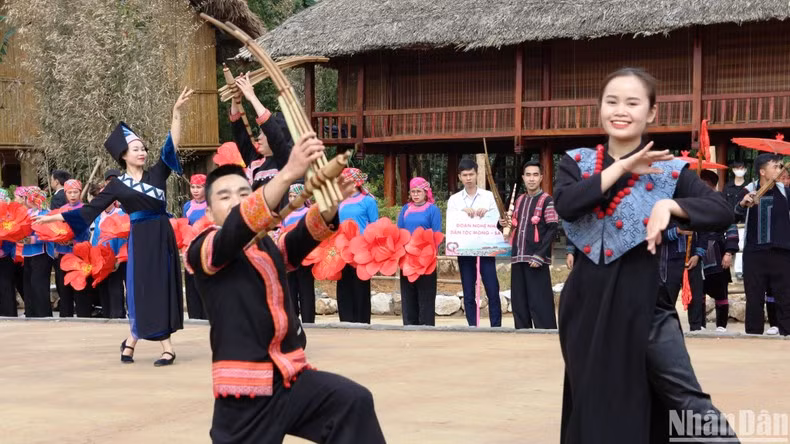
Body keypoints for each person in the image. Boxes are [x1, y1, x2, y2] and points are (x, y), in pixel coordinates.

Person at [554, 68, 736, 442]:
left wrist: (671, 205)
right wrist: (621, 166)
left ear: (651, 112)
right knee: (594, 406)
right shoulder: (576, 163)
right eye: (612, 101)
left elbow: (721, 210)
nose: (621, 110)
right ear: (600, 108)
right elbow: (568, 205)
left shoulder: (669, 171)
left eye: (632, 103)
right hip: (586, 306)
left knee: (689, 401)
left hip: (645, 307)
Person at [185, 134, 385, 444]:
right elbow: (238, 227)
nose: (237, 199)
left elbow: (295, 243)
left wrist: (329, 204)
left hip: (289, 377)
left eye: (243, 191)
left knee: (352, 402)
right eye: (225, 196)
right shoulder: (203, 249)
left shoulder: (265, 245)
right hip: (245, 392)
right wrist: (289, 173)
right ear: (209, 213)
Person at [35, 88, 193, 366]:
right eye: (136, 149)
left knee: (162, 286)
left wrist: (176, 113)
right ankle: (154, 343)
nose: (143, 152)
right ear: (123, 155)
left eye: (143, 148)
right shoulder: (117, 186)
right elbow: (87, 211)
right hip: (141, 238)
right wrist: (50, 218)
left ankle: (136, 342)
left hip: (162, 236)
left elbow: (172, 145)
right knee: (144, 288)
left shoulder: (158, 173)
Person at [735, 153, 790, 336]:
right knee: (754, 298)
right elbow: (732, 214)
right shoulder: (748, 190)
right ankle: (753, 336)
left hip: (781, 252)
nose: (780, 169)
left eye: (780, 166)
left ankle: (787, 334)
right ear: (763, 171)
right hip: (755, 254)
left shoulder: (785, 191)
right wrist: (743, 204)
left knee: (785, 298)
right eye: (775, 166)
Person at [501, 160, 558, 329]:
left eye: (535, 175)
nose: (531, 179)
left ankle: (546, 338)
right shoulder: (518, 200)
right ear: (523, 178)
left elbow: (552, 229)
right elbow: (511, 225)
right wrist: (502, 223)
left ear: (541, 177)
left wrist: (540, 254)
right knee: (520, 302)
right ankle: (522, 338)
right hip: (518, 257)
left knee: (540, 302)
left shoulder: (547, 200)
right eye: (528, 175)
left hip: (536, 260)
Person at [447, 158, 502, 327]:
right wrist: (463, 213)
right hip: (465, 250)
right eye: (465, 175)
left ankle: (496, 326)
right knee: (468, 291)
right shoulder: (455, 200)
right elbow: (452, 221)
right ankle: (472, 325)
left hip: (486, 249)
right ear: (459, 177)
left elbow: (499, 220)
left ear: (477, 175)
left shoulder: (488, 197)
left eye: (471, 174)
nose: (468, 178)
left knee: (492, 289)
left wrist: (488, 212)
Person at [691, 170, 739, 332]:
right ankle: (700, 324)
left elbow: (731, 226)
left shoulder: (721, 201)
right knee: (699, 290)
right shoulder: (694, 201)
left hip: (717, 250)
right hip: (697, 249)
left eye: (703, 183)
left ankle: (721, 325)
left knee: (720, 290)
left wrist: (728, 253)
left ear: (710, 184)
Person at [230, 73, 292, 193]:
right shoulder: (254, 161)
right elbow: (240, 134)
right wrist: (235, 98)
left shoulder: (285, 160)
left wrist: (252, 97)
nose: (259, 137)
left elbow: (274, 133)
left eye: (263, 134)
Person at [396, 177, 442, 326]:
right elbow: (400, 232)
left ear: (426, 192)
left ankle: (427, 327)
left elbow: (436, 234)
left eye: (419, 191)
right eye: (413, 191)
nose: (415, 194)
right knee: (408, 294)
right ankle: (409, 326)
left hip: (426, 259)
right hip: (407, 259)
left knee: (426, 294)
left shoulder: (432, 209)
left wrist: (432, 254)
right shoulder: (405, 209)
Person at [337, 168, 378, 324]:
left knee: (360, 285)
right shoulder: (340, 201)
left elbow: (375, 225)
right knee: (344, 285)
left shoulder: (368, 201)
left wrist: (372, 248)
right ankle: (345, 320)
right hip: (342, 249)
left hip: (362, 249)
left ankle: (362, 321)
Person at [54, 179, 93, 317]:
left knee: (80, 287)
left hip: (79, 256)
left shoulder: (85, 209)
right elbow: (53, 228)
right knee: (64, 288)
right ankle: (65, 316)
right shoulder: (61, 210)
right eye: (69, 192)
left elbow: (88, 233)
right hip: (62, 254)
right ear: (65, 194)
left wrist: (72, 241)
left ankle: (84, 316)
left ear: (80, 192)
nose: (72, 195)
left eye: (75, 192)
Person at [89, 183, 127, 319]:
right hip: (101, 259)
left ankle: (117, 315)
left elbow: (123, 239)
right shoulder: (98, 216)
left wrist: (118, 259)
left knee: (115, 287)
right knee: (103, 288)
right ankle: (106, 315)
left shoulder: (121, 214)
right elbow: (94, 239)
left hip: (115, 258)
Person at [656, 222, 704, 330]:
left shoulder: (694, 209)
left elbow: (704, 232)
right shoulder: (665, 210)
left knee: (695, 297)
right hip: (670, 262)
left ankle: (696, 329)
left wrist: (697, 255)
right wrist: (678, 231)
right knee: (668, 298)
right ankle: (666, 331)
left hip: (692, 261)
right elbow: (658, 236)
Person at [283, 183, 316, 324]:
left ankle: (308, 321)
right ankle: (293, 320)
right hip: (289, 256)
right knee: (290, 289)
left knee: (306, 289)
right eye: (290, 196)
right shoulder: (285, 213)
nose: (291, 199)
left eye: (294, 196)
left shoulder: (309, 213)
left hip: (306, 256)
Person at [22, 187, 55, 318]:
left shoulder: (46, 214)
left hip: (42, 253)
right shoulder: (27, 213)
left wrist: (31, 239)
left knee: (39, 286)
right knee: (28, 286)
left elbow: (50, 234)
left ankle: (43, 315)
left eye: (26, 197)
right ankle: (31, 314)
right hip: (27, 253)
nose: (24, 200)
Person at [183, 173, 208, 320]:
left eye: (199, 187)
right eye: (193, 187)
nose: (195, 190)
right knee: (191, 284)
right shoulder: (187, 206)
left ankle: (207, 316)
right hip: (190, 250)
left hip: (206, 249)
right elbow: (184, 227)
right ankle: (194, 317)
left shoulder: (211, 204)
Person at [0, 188, 18, 317]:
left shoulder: (10, 215)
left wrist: (4, 250)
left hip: (5, 255)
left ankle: (9, 314)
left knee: (6, 285)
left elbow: (13, 235)